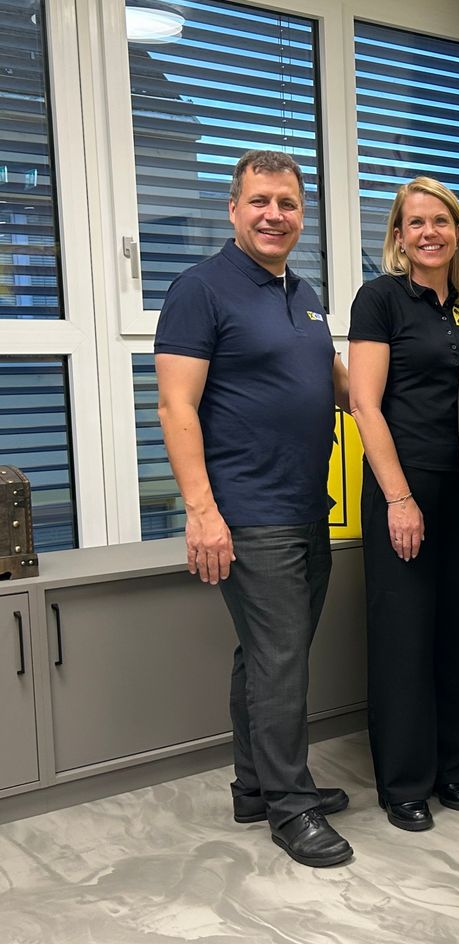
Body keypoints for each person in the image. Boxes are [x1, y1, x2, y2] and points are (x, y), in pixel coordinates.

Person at [155, 150, 353, 868]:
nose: (276, 215)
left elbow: (332, 384)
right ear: (234, 210)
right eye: (262, 201)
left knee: (270, 656)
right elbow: (176, 405)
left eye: (289, 204)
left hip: (306, 503)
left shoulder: (302, 292)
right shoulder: (200, 289)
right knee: (279, 660)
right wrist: (202, 511)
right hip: (248, 508)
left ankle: (255, 785)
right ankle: (291, 808)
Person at [348, 177, 459, 832]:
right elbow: (363, 403)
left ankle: (455, 770)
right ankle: (405, 783)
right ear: (399, 237)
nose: (430, 232)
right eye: (416, 222)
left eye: (442, 221)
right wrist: (400, 498)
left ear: (458, 232)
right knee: (405, 637)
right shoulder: (380, 299)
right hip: (404, 487)